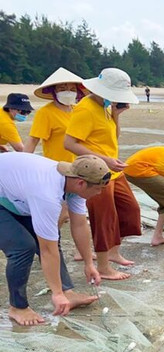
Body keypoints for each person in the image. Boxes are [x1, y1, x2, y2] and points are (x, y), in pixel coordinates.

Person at [0, 153, 108, 325]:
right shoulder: (46, 194)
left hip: (15, 192)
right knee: (22, 247)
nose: (100, 192)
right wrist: (55, 294)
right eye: (98, 188)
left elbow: (79, 224)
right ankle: (17, 307)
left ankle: (67, 292)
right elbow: (47, 249)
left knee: (50, 236)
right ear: (81, 183)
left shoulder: (74, 182)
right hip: (7, 195)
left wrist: (89, 263)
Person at [64, 67, 142, 281]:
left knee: (130, 211)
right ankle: (104, 267)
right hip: (94, 173)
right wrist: (105, 160)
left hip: (113, 171)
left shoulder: (104, 106)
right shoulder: (86, 108)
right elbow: (69, 143)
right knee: (104, 218)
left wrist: (116, 114)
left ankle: (114, 252)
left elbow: (114, 137)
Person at [25, 68, 90, 258]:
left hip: (80, 170)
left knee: (79, 213)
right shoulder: (46, 113)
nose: (67, 91)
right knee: (60, 214)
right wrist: (23, 163)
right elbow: (33, 141)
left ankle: (80, 251)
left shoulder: (79, 111)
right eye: (62, 87)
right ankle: (46, 247)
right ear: (53, 91)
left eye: (71, 88)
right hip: (56, 170)